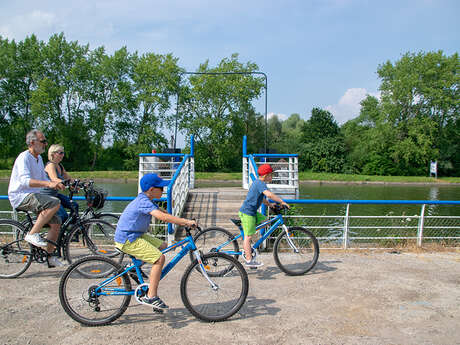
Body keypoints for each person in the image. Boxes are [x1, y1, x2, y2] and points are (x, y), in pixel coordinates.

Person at [114, 173, 197, 309]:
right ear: (151, 190)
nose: (163, 190)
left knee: (164, 246)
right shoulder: (144, 201)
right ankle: (151, 296)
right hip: (128, 238)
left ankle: (134, 267)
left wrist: (180, 220)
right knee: (159, 259)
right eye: (161, 188)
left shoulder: (148, 200)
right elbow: (162, 218)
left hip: (136, 234)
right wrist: (186, 222)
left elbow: (163, 213)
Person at [7, 129, 66, 267]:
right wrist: (48, 183)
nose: (46, 144)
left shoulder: (38, 159)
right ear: (33, 143)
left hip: (33, 194)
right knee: (54, 202)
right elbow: (25, 181)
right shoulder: (24, 157)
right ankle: (32, 233)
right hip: (20, 195)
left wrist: (56, 184)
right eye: (43, 141)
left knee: (57, 222)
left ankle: (50, 257)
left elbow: (42, 179)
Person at [239, 164, 290, 268]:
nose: (272, 177)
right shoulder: (260, 183)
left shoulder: (259, 183)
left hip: (252, 212)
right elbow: (269, 195)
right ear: (266, 175)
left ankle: (249, 242)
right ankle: (249, 260)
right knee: (248, 236)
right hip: (248, 213)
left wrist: (270, 204)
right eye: (271, 175)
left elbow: (261, 198)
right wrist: (282, 201)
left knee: (266, 222)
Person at [42, 144, 79, 223]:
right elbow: (54, 179)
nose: (63, 155)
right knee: (63, 215)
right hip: (46, 196)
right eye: (60, 153)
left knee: (75, 206)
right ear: (53, 154)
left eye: (63, 153)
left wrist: (78, 184)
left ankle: (71, 230)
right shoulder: (50, 165)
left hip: (55, 195)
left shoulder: (60, 166)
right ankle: (58, 233)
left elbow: (68, 179)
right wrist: (66, 183)